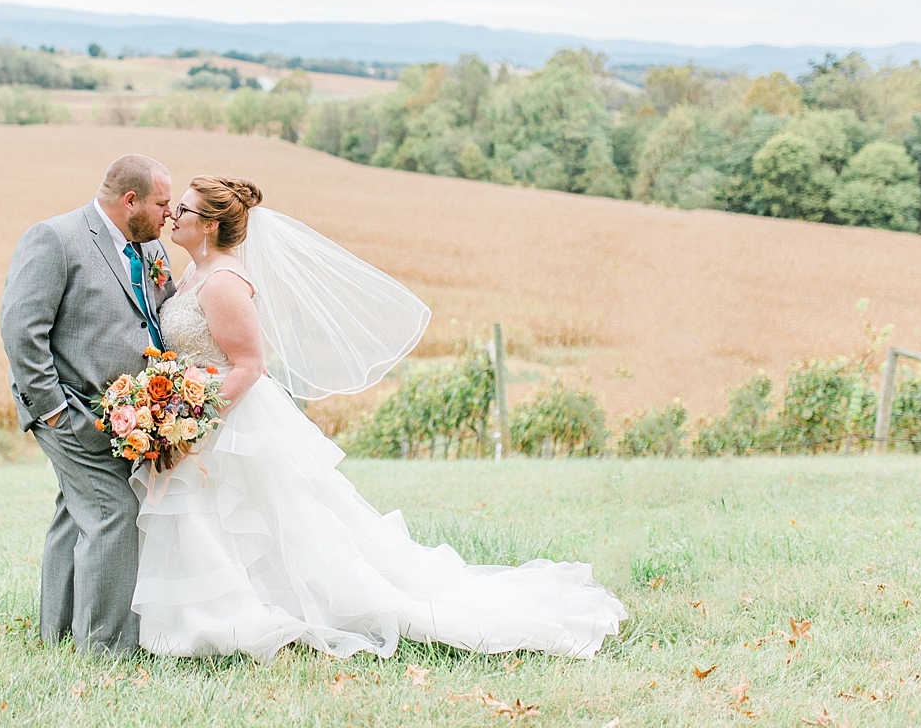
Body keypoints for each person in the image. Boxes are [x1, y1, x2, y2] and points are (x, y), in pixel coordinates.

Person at [131, 174, 627, 660]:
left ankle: (234, 620)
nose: (174, 215)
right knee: (217, 521)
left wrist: (196, 422)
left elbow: (249, 366)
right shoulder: (193, 274)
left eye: (186, 210)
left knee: (257, 519)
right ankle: (212, 618)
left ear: (212, 225)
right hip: (195, 409)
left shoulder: (222, 283)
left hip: (227, 418)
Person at [0, 153, 176, 654]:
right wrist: (54, 410)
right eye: (163, 203)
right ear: (130, 200)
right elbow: (21, 329)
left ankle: (57, 633)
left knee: (74, 513)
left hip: (125, 417)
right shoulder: (54, 238)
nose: (169, 213)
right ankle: (105, 647)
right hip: (70, 409)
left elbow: (155, 316)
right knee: (113, 511)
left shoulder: (148, 247)